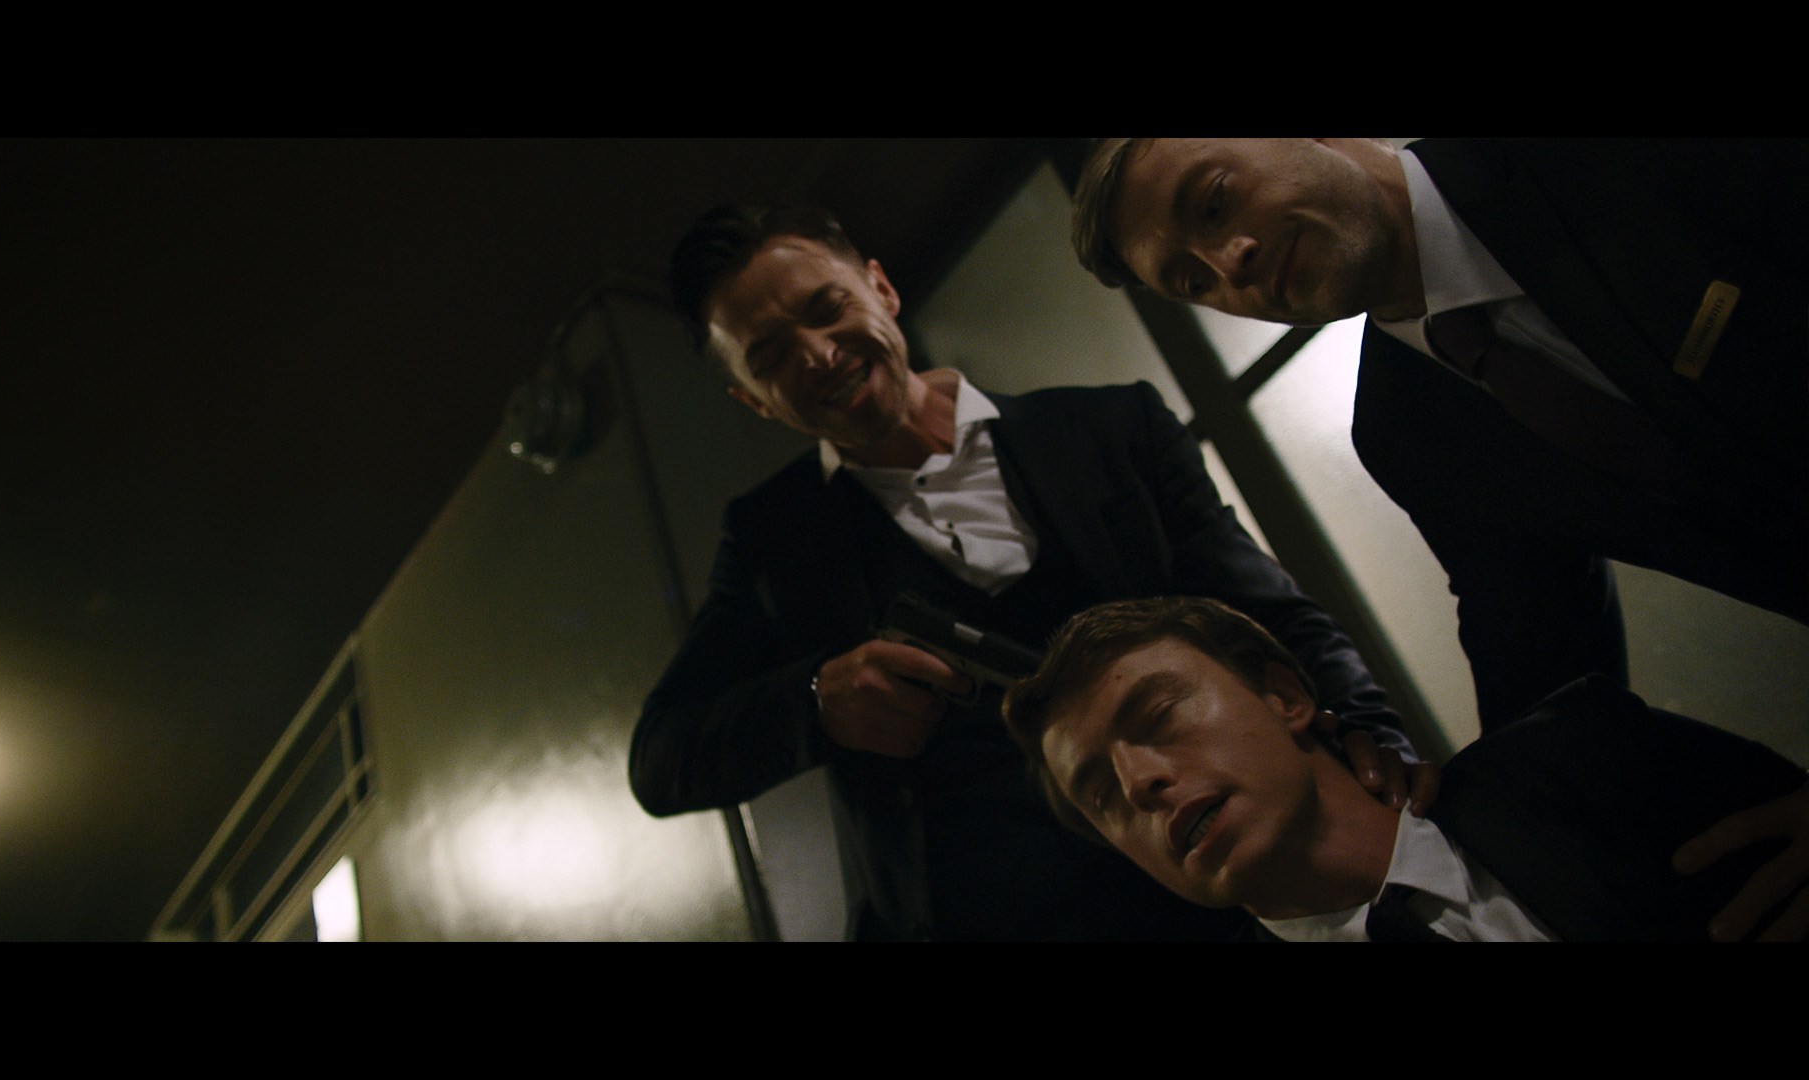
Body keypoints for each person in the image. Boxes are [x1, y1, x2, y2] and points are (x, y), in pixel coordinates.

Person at [627, 203, 1426, 940]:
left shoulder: (1112, 427)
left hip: (1227, 888)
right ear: (755, 401)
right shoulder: (770, 540)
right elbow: (661, 760)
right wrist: (815, 702)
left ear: (880, 287)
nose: (819, 354)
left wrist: (1375, 737)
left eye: (826, 308)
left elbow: (1266, 614)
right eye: (771, 355)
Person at [1070, 138, 1807, 733]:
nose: (1229, 264)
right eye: (1194, 283)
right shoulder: (1405, 433)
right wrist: (1419, 811)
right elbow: (1544, 663)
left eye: (1214, 202)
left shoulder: (1590, 157)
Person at [1003, 596, 1809, 941]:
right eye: (1101, 796)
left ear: (1285, 697)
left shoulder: (1582, 757)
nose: (1138, 782)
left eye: (1156, 716)